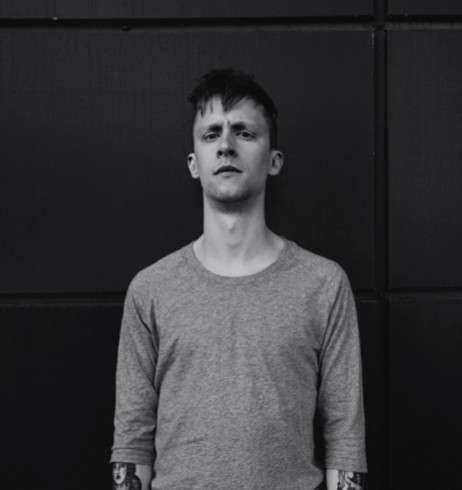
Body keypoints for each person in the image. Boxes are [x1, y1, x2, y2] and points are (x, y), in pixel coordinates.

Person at [110, 68, 367, 490]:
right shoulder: (150, 290)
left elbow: (345, 439)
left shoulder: (324, 285)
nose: (226, 145)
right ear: (194, 163)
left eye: (244, 133)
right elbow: (132, 442)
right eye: (211, 134)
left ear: (274, 160)